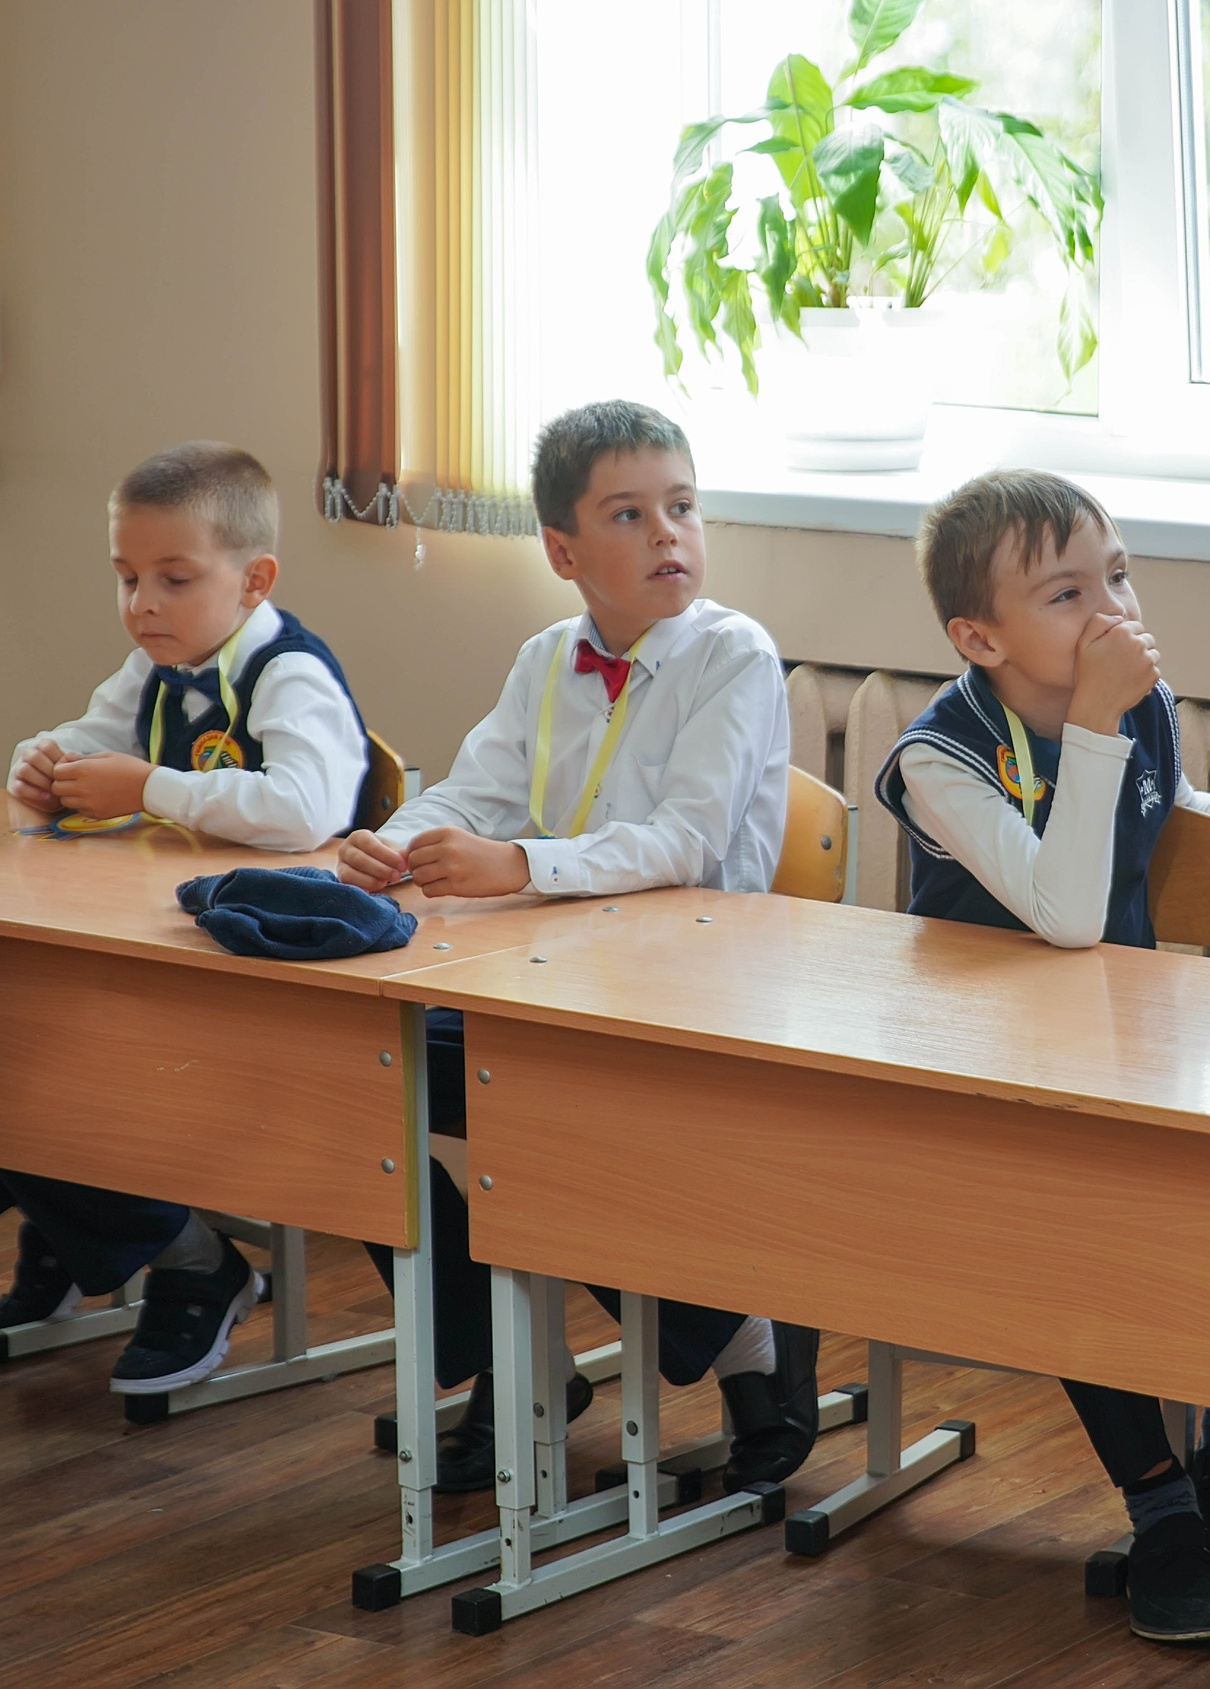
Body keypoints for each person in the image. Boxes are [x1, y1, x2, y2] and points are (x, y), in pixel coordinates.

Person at [336, 400, 815, 1496]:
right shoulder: (547, 657)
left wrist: (521, 866)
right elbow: (476, 786)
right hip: (551, 975)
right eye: (630, 514)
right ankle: (524, 1363)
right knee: (367, 1084)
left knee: (547, 1109)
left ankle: (749, 1346)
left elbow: (690, 843)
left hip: (696, 983)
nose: (667, 536)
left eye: (682, 508)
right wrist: (395, 841)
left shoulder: (731, 654)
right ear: (563, 550)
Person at [872, 469, 1210, 1646]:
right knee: (1075, 1246)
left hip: (1123, 1039)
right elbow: (1062, 905)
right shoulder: (940, 760)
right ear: (979, 637)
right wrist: (1105, 724)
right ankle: (1160, 1506)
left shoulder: (1135, 705)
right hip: (993, 1065)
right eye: (1067, 593)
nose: (1110, 610)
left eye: (1116, 574)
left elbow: (1153, 808)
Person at [0, 441, 372, 1397]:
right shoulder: (155, 664)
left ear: (254, 579)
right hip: (156, 940)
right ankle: (79, 1223)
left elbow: (308, 808)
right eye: (127, 578)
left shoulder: (287, 674)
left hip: (261, 973)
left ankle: (192, 1262)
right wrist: (42, 759)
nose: (142, 603)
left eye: (173, 579)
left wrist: (153, 785)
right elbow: (84, 735)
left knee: (42, 1050)